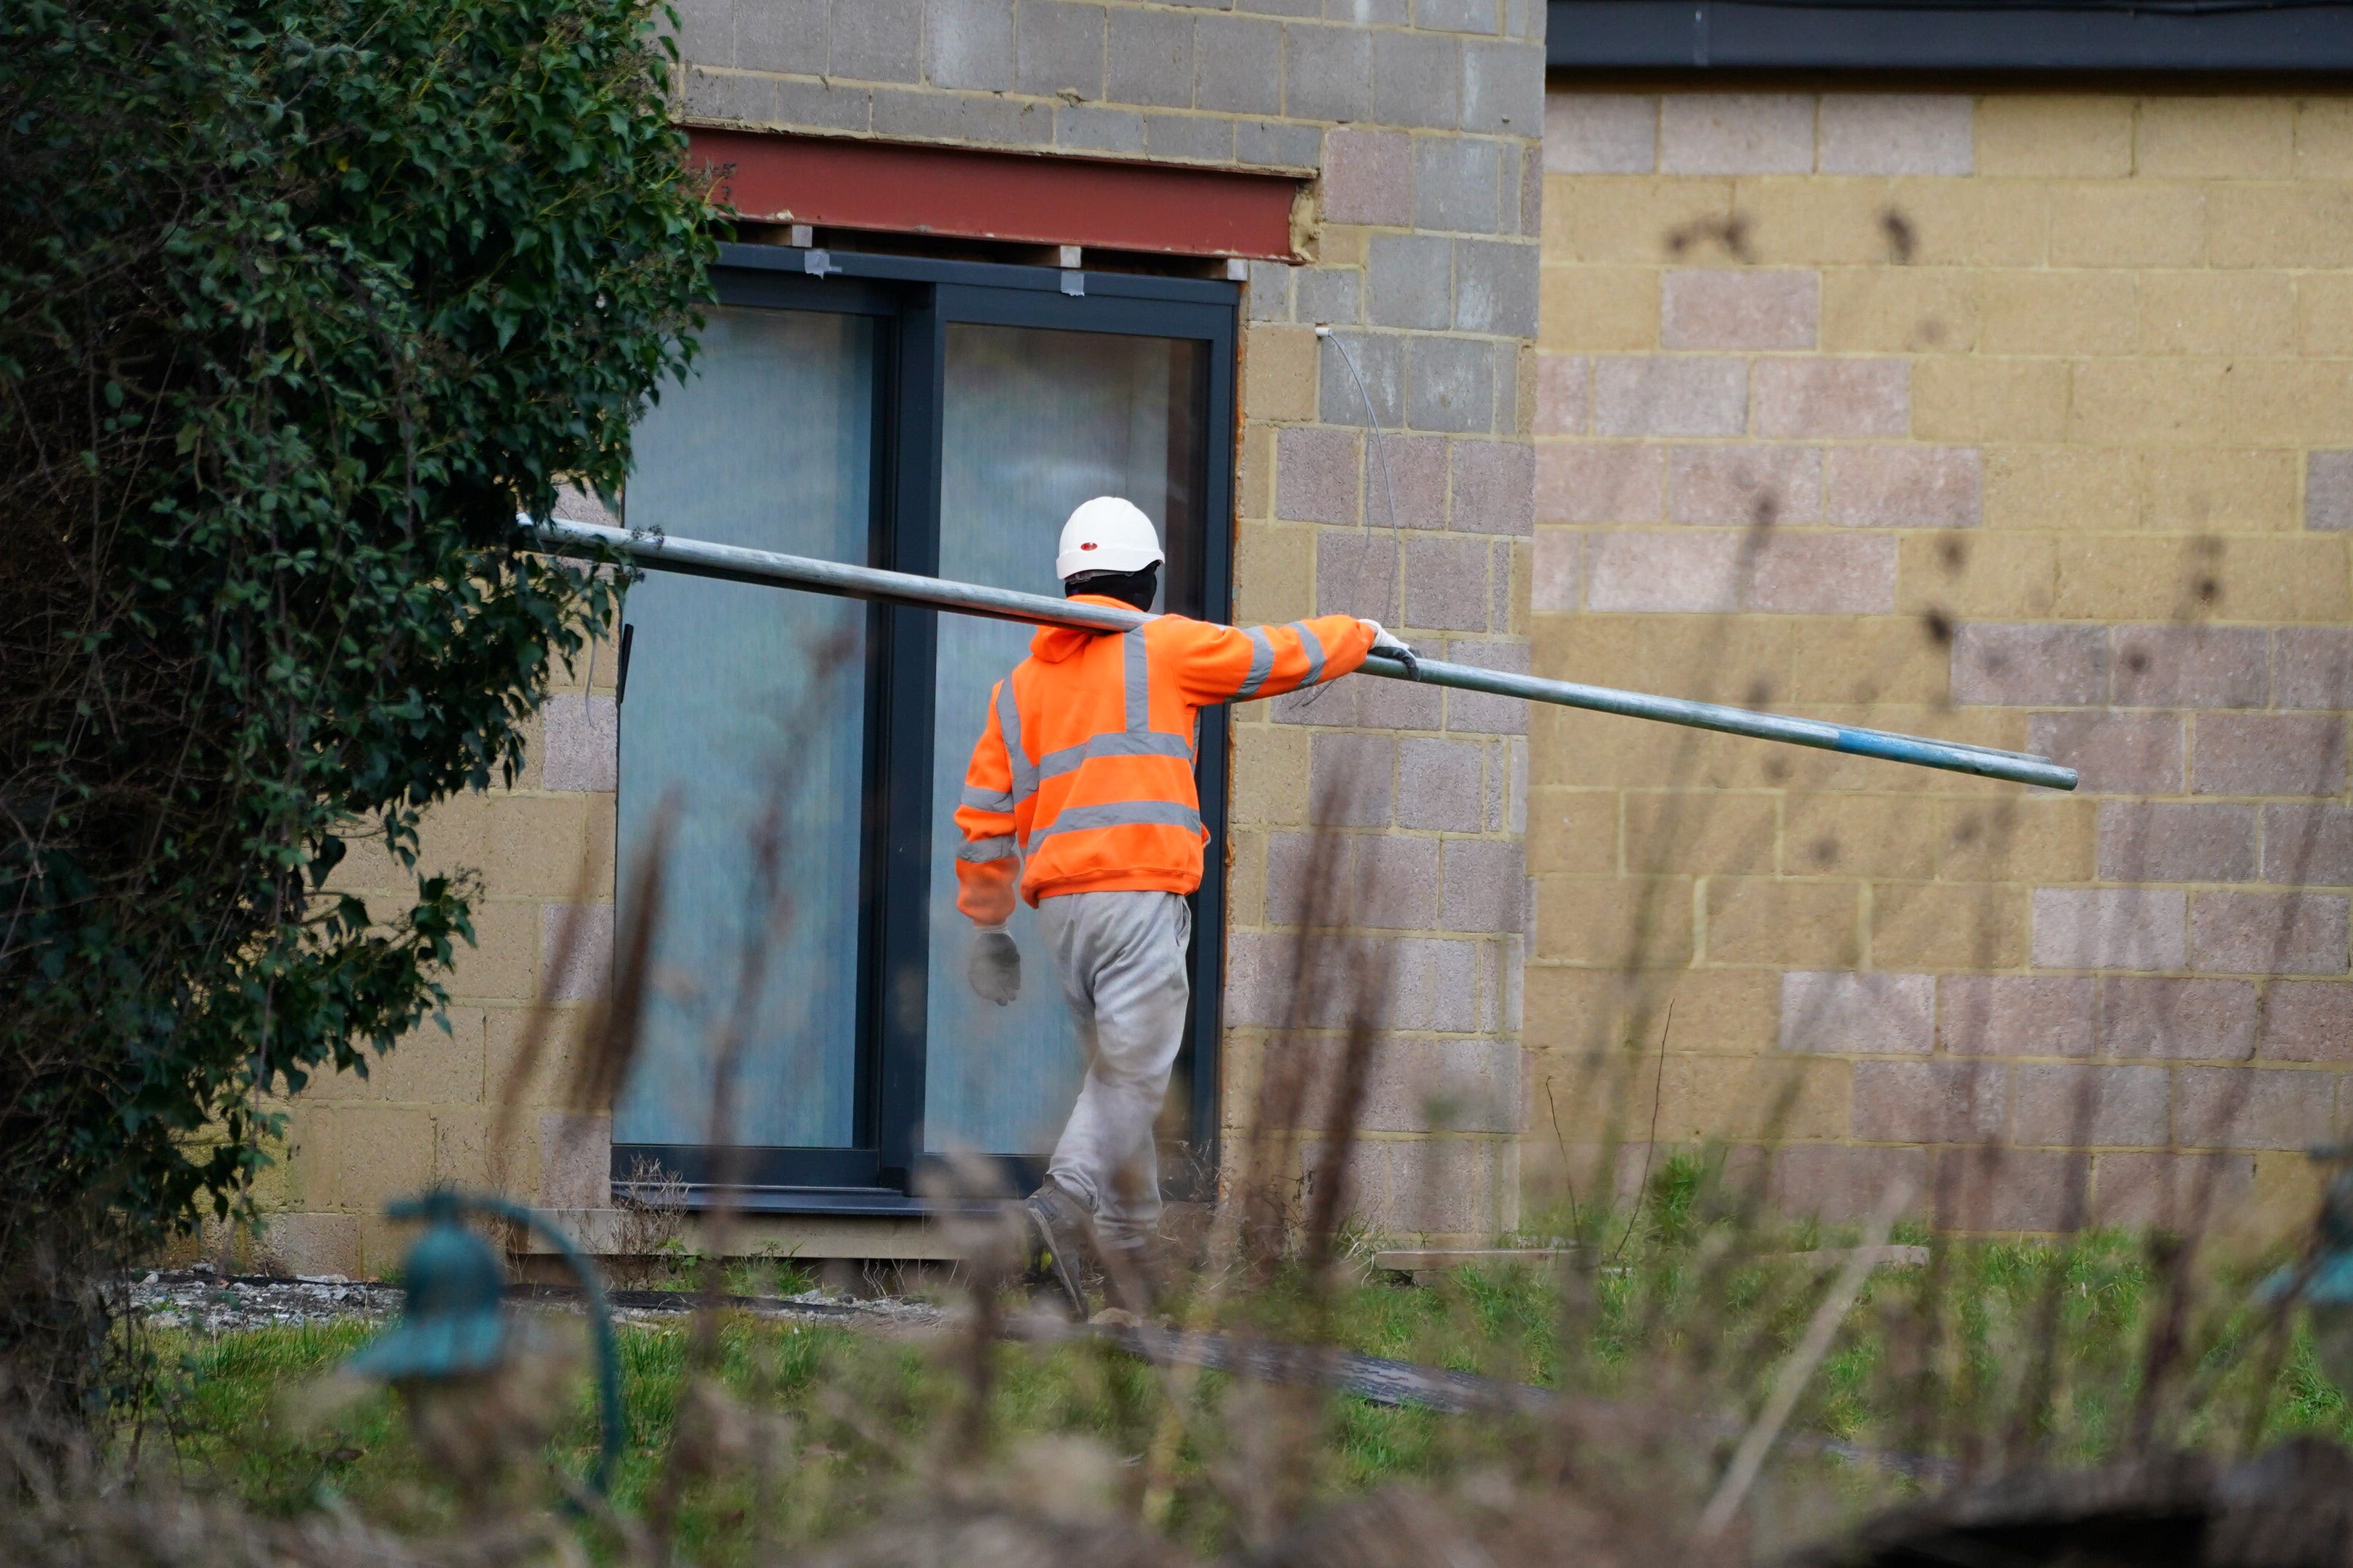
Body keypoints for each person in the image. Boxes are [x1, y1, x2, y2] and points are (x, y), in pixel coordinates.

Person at [950, 495, 1416, 1315]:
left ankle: (1131, 1274)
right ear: (1149, 578)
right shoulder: (1159, 646)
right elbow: (1268, 654)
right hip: (1134, 895)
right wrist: (1360, 634)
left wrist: (988, 923)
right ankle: (1059, 1206)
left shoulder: (1019, 687)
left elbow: (983, 814)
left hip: (1062, 914)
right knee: (1131, 1074)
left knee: (1120, 1078)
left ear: (1067, 581)